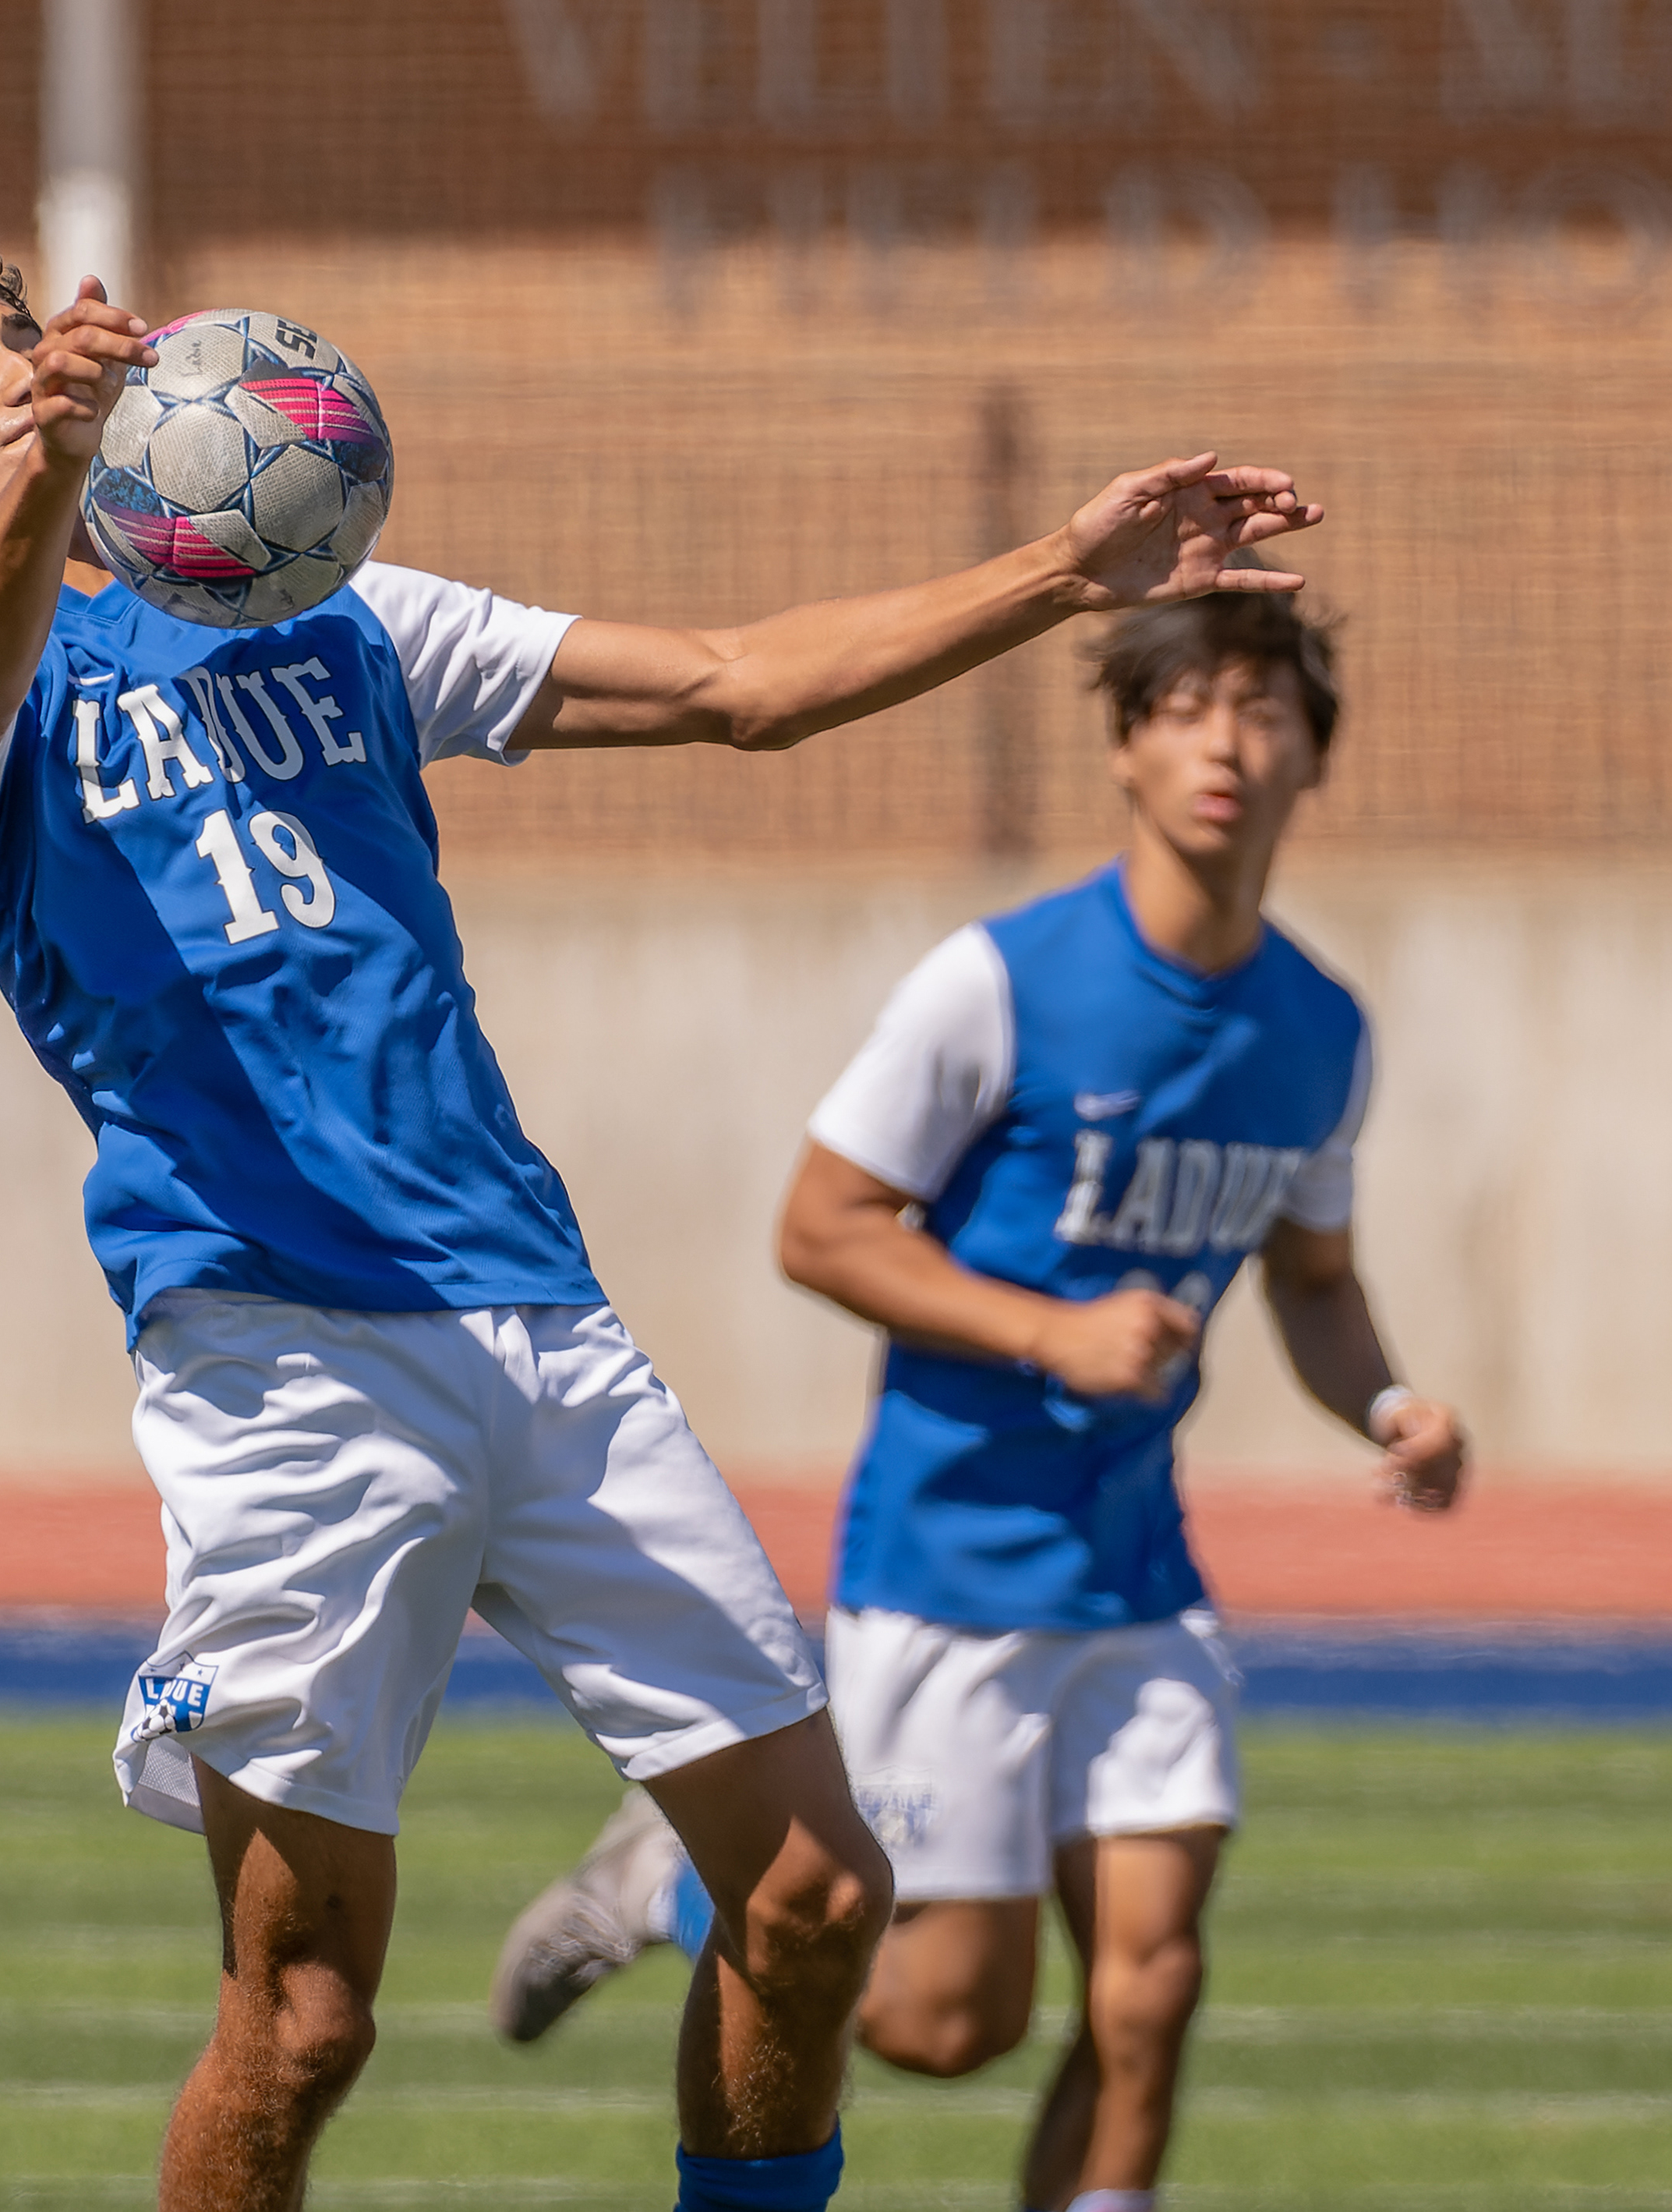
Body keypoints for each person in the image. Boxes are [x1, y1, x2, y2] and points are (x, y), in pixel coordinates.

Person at [0, 189, 1324, 2212]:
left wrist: (1062, 574)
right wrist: (59, 467)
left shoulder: (338, 607)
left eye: (16, 332)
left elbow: (741, 681)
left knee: (820, 1888)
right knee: (305, 2017)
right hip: (279, 1356)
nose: (22, 369)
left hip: (540, 1327)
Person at [493, 590, 1467, 2212]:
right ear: (1125, 747)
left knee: (1151, 1990)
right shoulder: (998, 983)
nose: (1229, 740)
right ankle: (673, 1885)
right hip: (947, 1573)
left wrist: (1390, 1409)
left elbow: (1311, 1280)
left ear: (1314, 755)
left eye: (1266, 709)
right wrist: (1049, 1334)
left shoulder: (1321, 1028)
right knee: (952, 2023)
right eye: (1190, 706)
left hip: (1141, 1575)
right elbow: (820, 1228)